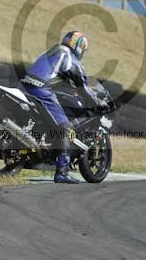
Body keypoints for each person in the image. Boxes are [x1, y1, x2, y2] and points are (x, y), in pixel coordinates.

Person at [19, 31, 101, 184]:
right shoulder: (68, 56)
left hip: (25, 85)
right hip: (41, 89)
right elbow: (82, 85)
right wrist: (95, 103)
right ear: (78, 46)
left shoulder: (52, 50)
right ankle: (62, 173)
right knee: (66, 127)